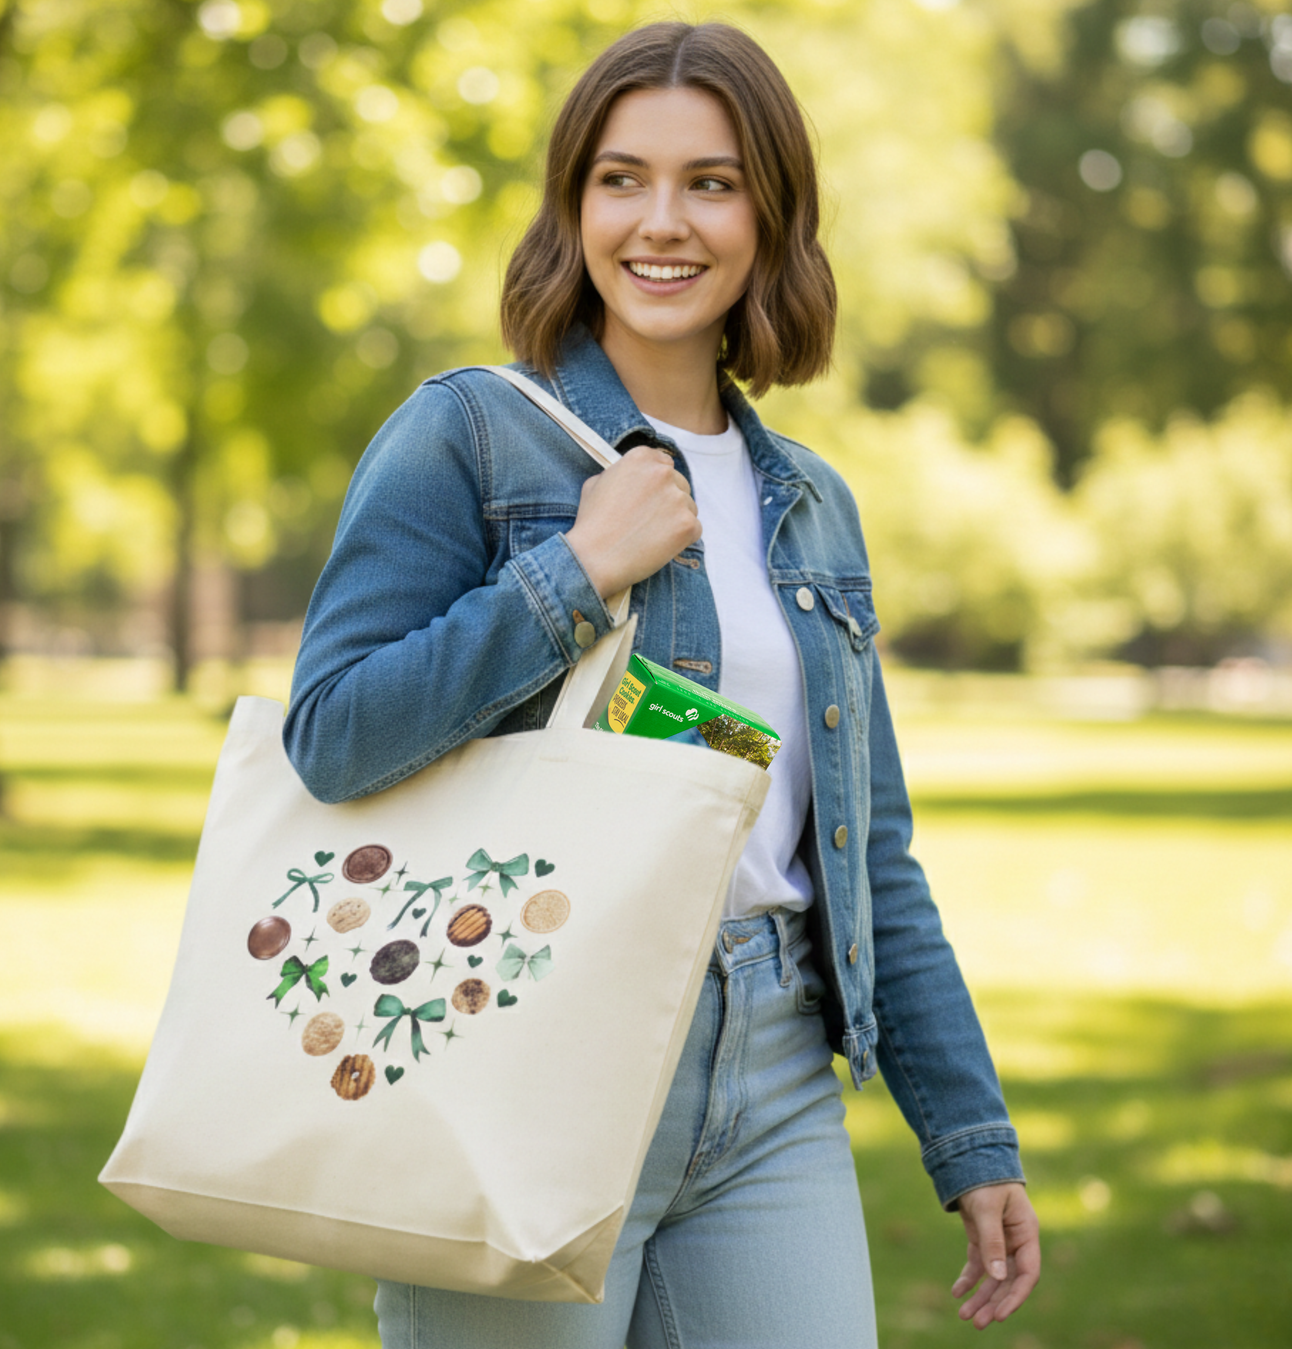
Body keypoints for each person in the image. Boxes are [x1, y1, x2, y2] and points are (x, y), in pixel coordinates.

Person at [284, 20, 1040, 1348]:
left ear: (771, 216)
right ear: (573, 206)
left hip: (775, 1075)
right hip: (525, 1050)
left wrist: (968, 1129)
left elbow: (872, 853)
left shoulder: (813, 504)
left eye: (712, 181)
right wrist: (572, 574)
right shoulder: (465, 436)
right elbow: (334, 734)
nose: (661, 222)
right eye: (621, 179)